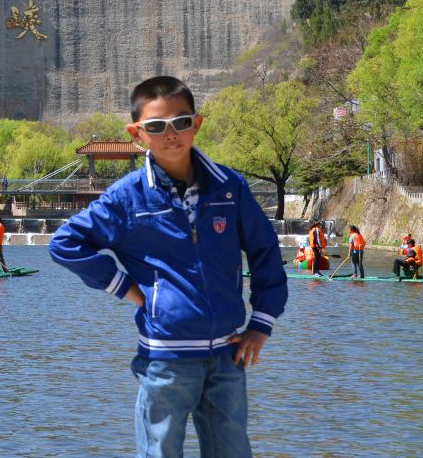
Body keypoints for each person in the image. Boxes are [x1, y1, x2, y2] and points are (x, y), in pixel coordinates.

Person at [50, 75, 287, 457]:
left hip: (228, 353)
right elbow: (65, 244)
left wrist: (261, 324)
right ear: (136, 133)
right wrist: (128, 290)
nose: (171, 133)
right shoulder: (127, 197)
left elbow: (265, 253)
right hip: (165, 359)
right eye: (156, 126)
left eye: (181, 122)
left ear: (197, 123)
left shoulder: (229, 186)